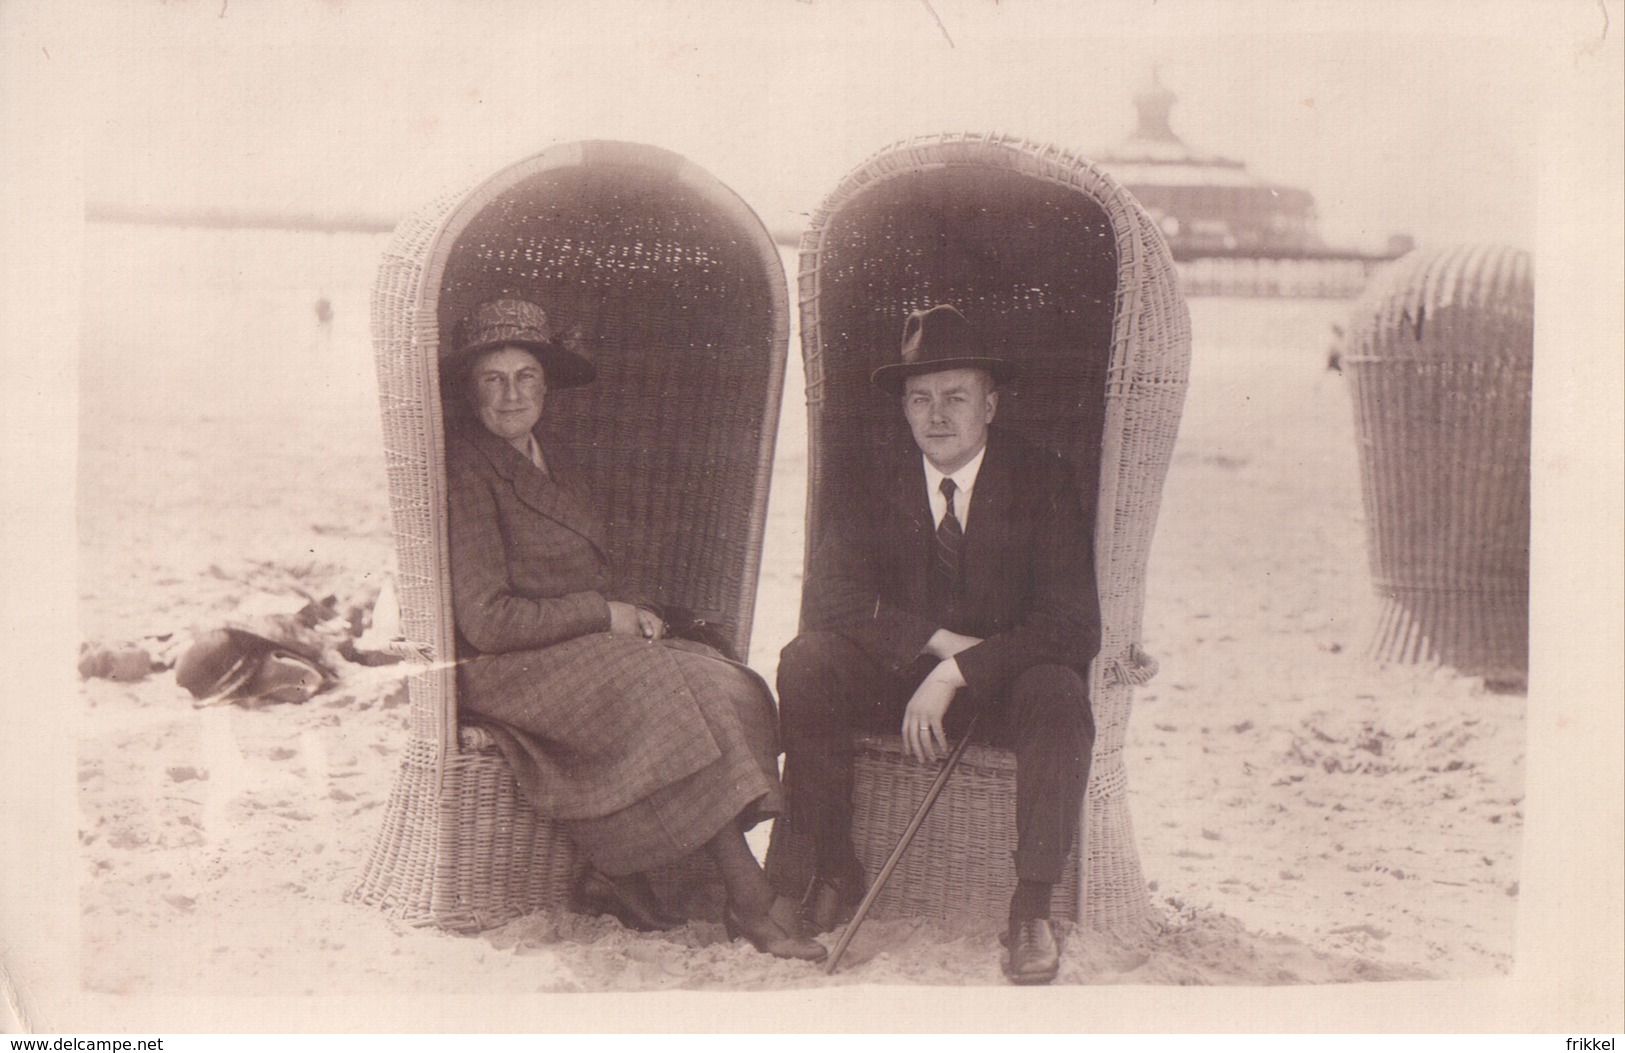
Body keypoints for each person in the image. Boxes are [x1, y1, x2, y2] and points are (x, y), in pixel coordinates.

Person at [443, 297, 824, 962]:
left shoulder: (552, 460)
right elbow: (485, 618)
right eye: (491, 380)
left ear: (546, 384)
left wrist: (635, 611)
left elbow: (591, 567)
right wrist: (602, 614)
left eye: (525, 377)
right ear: (470, 389)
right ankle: (747, 893)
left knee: (723, 677)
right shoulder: (466, 468)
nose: (510, 396)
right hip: (503, 666)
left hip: (571, 650)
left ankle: (628, 873)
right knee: (663, 693)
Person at [777, 304, 1101, 985]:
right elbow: (829, 599)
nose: (937, 414)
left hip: (1005, 680)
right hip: (901, 675)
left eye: (955, 395)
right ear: (902, 408)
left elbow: (1072, 625)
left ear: (990, 401)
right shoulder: (874, 479)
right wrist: (935, 645)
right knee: (806, 661)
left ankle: (1031, 907)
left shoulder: (1041, 478)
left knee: (1061, 691)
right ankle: (832, 867)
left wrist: (962, 667)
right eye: (919, 398)